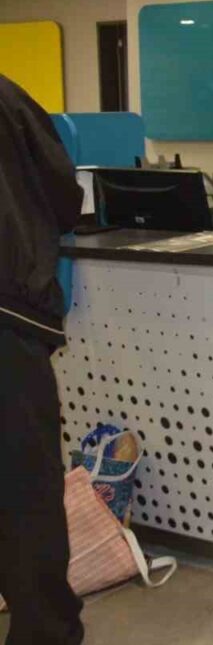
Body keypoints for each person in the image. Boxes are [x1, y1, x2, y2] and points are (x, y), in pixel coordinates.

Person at [0, 73, 85, 645]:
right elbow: (63, 197)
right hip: (10, 316)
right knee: (25, 489)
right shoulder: (8, 99)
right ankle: (44, 631)